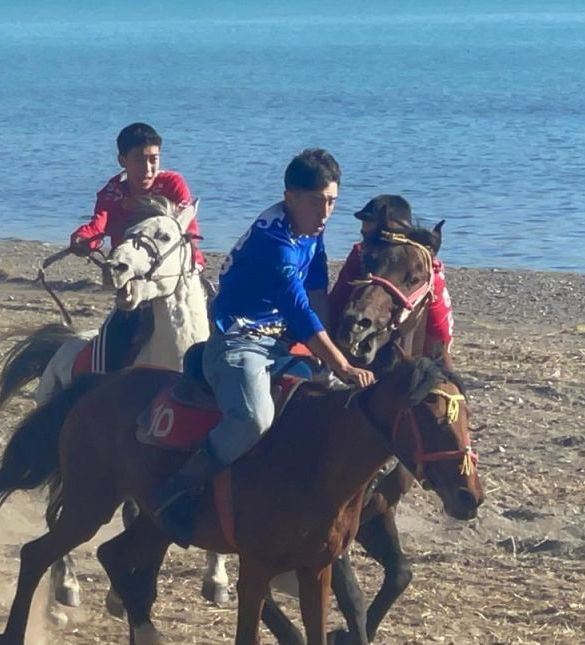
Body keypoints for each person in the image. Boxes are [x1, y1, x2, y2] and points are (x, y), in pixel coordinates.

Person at [151, 149, 376, 546]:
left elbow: (317, 290)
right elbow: (300, 311)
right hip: (241, 343)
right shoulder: (275, 242)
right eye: (315, 201)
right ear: (289, 195)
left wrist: (333, 350)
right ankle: (181, 488)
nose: (325, 212)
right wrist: (340, 363)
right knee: (254, 418)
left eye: (332, 202)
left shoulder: (310, 230)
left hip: (282, 344)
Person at [69, 122, 205, 371]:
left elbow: (188, 228)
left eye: (154, 159)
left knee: (227, 322)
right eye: (140, 160)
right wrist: (81, 238)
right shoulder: (111, 193)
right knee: (111, 338)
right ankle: (99, 384)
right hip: (138, 281)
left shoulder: (173, 184)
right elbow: (99, 225)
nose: (148, 168)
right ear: (122, 160)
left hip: (183, 275)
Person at [329, 194, 454, 362]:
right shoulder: (360, 254)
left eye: (372, 235)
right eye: (364, 235)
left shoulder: (426, 265)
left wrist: (442, 352)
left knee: (440, 335)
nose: (368, 241)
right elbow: (337, 300)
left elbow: (440, 328)